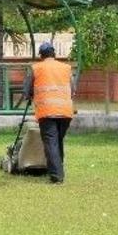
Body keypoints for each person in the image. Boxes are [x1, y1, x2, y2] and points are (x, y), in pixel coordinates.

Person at [22, 42, 75, 184]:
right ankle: (58, 169)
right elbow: (73, 89)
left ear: (41, 55)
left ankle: (56, 176)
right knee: (57, 141)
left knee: (51, 143)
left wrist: (29, 96)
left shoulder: (36, 68)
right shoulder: (66, 68)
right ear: (54, 53)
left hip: (47, 111)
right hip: (65, 112)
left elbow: (27, 90)